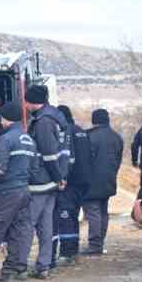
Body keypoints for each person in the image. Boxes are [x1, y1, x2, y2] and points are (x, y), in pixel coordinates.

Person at [25, 83, 71, 279]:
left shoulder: (43, 122)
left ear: (32, 102)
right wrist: (61, 176)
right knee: (46, 224)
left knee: (29, 223)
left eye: (26, 101)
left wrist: (58, 177)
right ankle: (43, 265)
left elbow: (48, 154)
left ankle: (19, 265)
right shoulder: (57, 117)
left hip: (41, 180)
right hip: (52, 181)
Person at [0, 98, 36, 282]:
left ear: (8, 119)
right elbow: (34, 168)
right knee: (17, 232)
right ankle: (9, 273)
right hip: (24, 191)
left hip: (6, 192)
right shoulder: (29, 140)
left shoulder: (5, 140)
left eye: (1, 118)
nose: (0, 121)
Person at [77, 108, 125, 255]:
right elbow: (118, 161)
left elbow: (84, 161)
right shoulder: (117, 137)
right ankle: (99, 242)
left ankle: (95, 245)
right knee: (103, 212)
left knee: (93, 213)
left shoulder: (89, 136)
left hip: (91, 181)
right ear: (107, 120)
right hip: (109, 180)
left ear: (94, 120)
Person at [57, 104, 88, 264]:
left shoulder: (66, 132)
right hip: (83, 182)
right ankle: (73, 250)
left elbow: (68, 159)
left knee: (65, 216)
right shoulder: (80, 130)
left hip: (70, 182)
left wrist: (62, 177)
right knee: (74, 216)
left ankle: (67, 253)